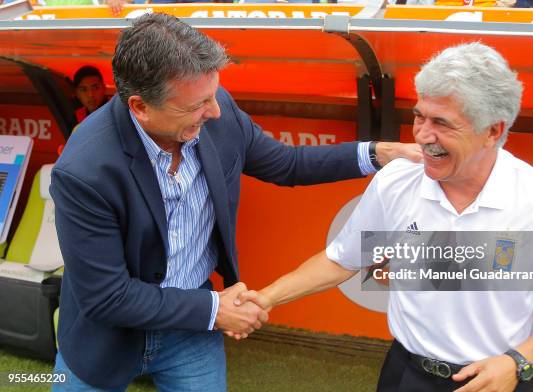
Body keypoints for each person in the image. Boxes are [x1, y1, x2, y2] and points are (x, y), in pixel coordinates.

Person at [50, 12, 421, 391]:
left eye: (214, 95)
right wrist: (215, 310)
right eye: (198, 105)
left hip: (191, 333)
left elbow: (287, 164)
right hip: (106, 340)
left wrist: (378, 153)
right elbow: (108, 296)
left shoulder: (214, 108)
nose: (215, 112)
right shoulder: (83, 171)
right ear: (141, 107)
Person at [235, 42, 533, 392]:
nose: (423, 136)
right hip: (406, 374)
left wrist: (517, 362)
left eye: (442, 123)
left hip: (498, 380)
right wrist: (266, 298)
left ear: (493, 131)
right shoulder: (396, 181)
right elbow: (343, 260)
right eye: (419, 117)